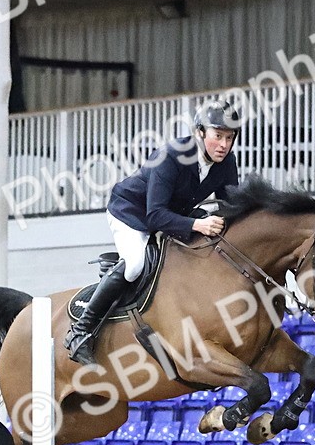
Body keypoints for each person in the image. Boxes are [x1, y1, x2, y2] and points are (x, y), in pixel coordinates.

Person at [64, 98, 242, 364]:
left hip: (176, 213)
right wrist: (197, 224)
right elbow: (155, 214)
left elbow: (232, 206)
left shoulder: (226, 163)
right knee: (135, 265)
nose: (224, 145)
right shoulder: (170, 156)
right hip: (132, 213)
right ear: (200, 132)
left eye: (230, 138)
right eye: (218, 136)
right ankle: (80, 332)